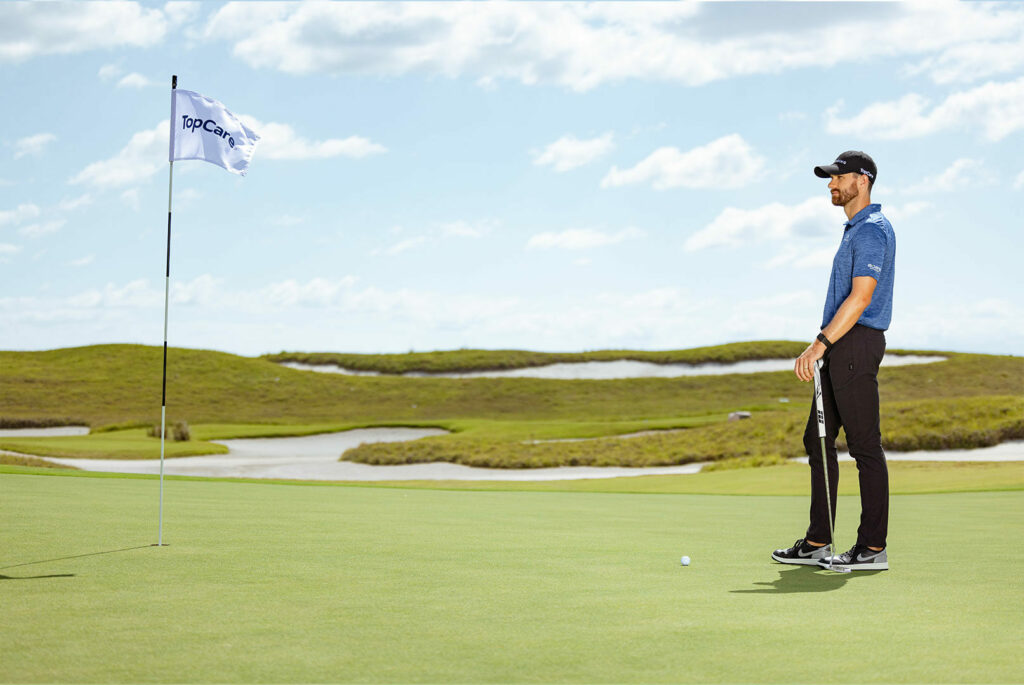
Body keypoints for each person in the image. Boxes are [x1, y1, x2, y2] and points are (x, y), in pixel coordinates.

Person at [772, 150, 895, 572]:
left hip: (854, 344)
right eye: (830, 179)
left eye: (838, 177)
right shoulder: (852, 231)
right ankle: (818, 541)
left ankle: (872, 549)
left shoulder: (873, 230)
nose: (831, 184)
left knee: (864, 447)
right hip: (839, 348)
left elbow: (861, 298)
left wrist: (820, 343)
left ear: (862, 180)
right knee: (818, 440)